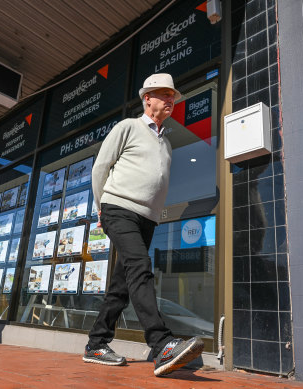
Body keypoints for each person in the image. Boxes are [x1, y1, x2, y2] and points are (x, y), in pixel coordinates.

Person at [83, 73, 204, 377]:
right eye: (163, 94)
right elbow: (101, 167)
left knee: (122, 285)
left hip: (146, 219)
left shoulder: (166, 143)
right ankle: (160, 343)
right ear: (147, 98)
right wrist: (101, 207)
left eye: (172, 95)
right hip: (118, 208)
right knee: (140, 267)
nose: (170, 100)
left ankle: (96, 343)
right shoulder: (128, 127)